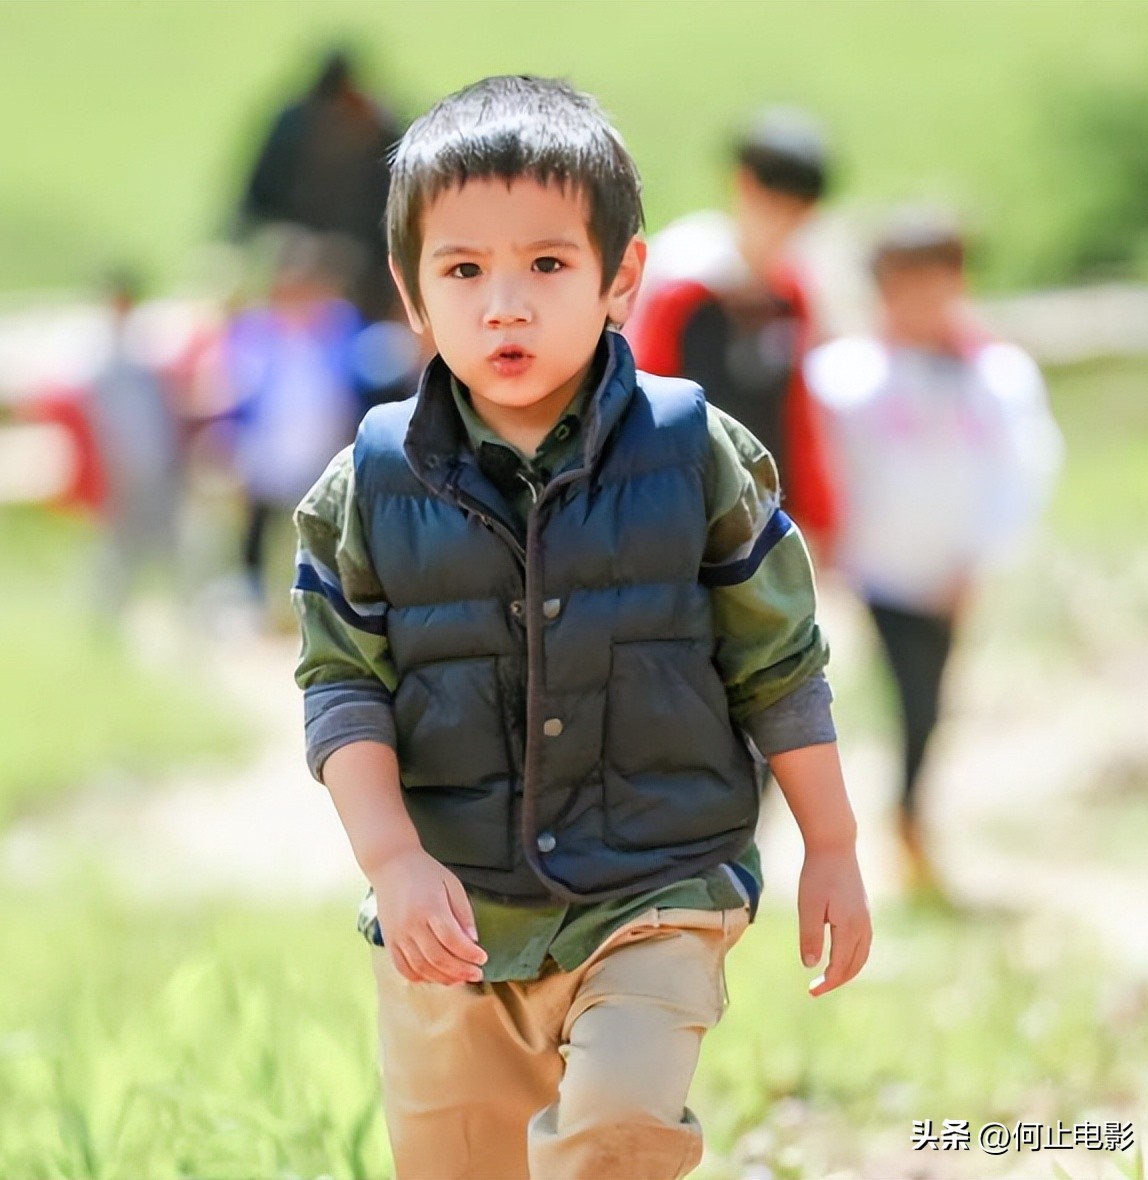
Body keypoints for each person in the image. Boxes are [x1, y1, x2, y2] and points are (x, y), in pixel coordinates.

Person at [292, 76, 871, 1180]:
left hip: (659, 882)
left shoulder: (697, 456)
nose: (503, 304)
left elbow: (778, 661)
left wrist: (833, 845)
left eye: (546, 265)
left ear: (622, 278)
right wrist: (394, 858)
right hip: (452, 916)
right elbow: (341, 687)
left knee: (616, 1130)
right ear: (409, 293)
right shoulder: (359, 489)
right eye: (462, 270)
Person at [805, 210, 1063, 899]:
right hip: (869, 574)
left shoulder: (996, 376)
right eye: (905, 282)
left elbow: (1023, 470)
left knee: (927, 706)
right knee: (829, 700)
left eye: (936, 281)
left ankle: (911, 824)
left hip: (947, 579)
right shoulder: (842, 376)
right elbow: (815, 468)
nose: (922, 298)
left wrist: (980, 558)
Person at [626, 106, 841, 560]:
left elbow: (797, 412)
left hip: (764, 512)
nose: (783, 221)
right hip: (681, 503)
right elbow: (646, 393)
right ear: (743, 185)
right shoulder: (684, 284)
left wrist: (818, 515)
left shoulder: (793, 295)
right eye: (773, 201)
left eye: (797, 209)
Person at [224, 230, 370, 607]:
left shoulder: (338, 325)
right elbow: (238, 386)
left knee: (318, 524)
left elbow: (353, 377)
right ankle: (253, 594)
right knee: (261, 521)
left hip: (321, 443)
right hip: (268, 445)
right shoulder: (258, 329)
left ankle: (315, 597)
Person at [235, 48, 401, 320]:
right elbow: (258, 196)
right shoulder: (290, 127)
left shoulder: (378, 126)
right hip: (298, 234)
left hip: (361, 245)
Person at [85, 268, 183, 619]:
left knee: (168, 546)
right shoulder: (100, 355)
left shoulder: (143, 347)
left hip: (155, 466)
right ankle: (105, 617)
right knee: (119, 549)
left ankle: (179, 618)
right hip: (120, 469)